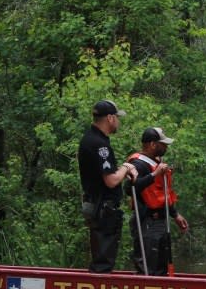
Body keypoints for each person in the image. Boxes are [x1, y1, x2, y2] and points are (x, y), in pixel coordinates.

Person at [78, 99, 137, 273]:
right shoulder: (100, 145)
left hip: (96, 206)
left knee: (100, 257)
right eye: (117, 117)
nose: (118, 121)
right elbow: (110, 180)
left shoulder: (89, 139)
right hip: (104, 210)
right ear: (110, 118)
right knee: (103, 262)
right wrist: (127, 167)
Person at [126, 126, 189, 275]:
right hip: (146, 221)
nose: (166, 146)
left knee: (162, 266)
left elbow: (163, 193)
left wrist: (175, 215)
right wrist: (154, 174)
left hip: (161, 219)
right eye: (163, 144)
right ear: (153, 144)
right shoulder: (138, 164)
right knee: (148, 266)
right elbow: (129, 189)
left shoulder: (156, 162)